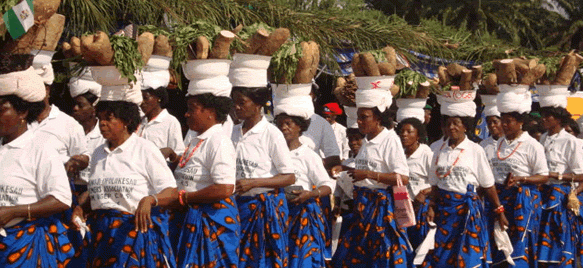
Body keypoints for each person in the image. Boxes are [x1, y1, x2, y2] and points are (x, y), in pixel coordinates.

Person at [71, 100, 177, 267]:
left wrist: (150, 200)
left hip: (130, 235)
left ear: (126, 121)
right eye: (100, 119)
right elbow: (96, 193)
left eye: (109, 118)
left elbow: (172, 191)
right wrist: (81, 207)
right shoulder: (98, 153)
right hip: (101, 236)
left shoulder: (145, 149)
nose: (102, 124)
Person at [0, 57, 74, 267]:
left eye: (1, 110)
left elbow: (61, 198)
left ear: (22, 112)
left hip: (25, 245)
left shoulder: (40, 148)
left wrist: (13, 211)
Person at [424, 95, 508, 268]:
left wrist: (499, 211)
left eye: (456, 123)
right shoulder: (437, 150)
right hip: (444, 210)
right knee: (443, 255)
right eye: (448, 124)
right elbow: (433, 184)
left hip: (467, 211)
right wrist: (431, 206)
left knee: (468, 256)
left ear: (465, 127)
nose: (452, 127)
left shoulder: (475, 150)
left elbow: (488, 184)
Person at [332, 85, 412, 267]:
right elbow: (364, 168)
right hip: (362, 208)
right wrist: (343, 167)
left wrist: (368, 174)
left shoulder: (390, 140)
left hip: (380, 210)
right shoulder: (366, 142)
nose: (359, 121)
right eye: (358, 117)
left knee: (381, 256)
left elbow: (403, 178)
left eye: (364, 117)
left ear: (378, 118)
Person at [173, 92, 240, 268]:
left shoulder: (218, 141)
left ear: (210, 112)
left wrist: (185, 198)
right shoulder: (197, 139)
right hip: (191, 217)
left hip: (211, 219)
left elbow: (225, 188)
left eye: (191, 110)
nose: (186, 114)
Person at [231, 86, 296, 268]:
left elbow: (289, 177)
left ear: (258, 104)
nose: (236, 107)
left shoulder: (271, 133)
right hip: (240, 207)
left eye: (242, 103)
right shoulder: (232, 132)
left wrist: (254, 183)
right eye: (234, 103)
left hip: (265, 208)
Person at [487, 89, 549, 267]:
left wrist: (522, 179)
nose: (503, 125)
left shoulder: (532, 145)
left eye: (508, 122)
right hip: (499, 199)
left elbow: (543, 176)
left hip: (522, 201)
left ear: (520, 122)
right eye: (502, 121)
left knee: (519, 247)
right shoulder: (498, 143)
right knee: (498, 246)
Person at [275, 112, 335, 268]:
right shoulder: (272, 153)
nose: (284, 128)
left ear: (299, 127)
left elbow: (327, 185)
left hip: (301, 215)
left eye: (288, 124)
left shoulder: (308, 155)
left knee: (302, 259)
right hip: (277, 215)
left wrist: (311, 194)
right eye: (280, 124)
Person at [537, 105, 583, 267]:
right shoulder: (543, 138)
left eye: (548, 116)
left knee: (559, 241)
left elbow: (581, 175)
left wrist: (557, 176)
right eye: (543, 116)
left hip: (560, 197)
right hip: (543, 195)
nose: (543, 119)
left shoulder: (571, 141)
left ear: (558, 120)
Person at [397, 117, 433, 250]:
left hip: (421, 208)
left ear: (418, 135)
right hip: (403, 207)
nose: (404, 135)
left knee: (421, 246)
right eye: (402, 132)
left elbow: (438, 182)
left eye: (409, 132)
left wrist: (424, 192)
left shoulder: (426, 154)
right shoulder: (399, 154)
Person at [138, 87, 185, 162]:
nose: (142, 102)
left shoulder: (170, 122)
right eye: (140, 99)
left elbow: (178, 153)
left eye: (146, 98)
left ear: (158, 98)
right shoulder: (139, 122)